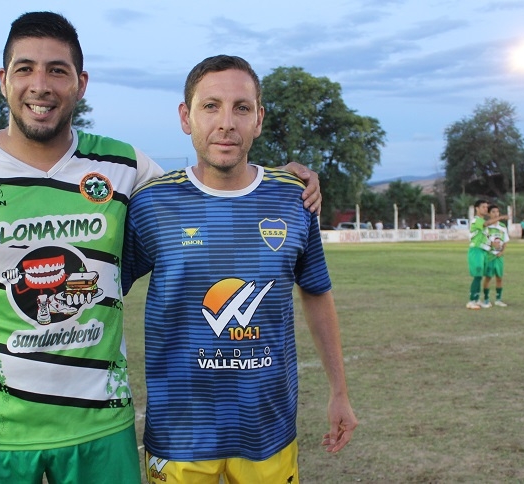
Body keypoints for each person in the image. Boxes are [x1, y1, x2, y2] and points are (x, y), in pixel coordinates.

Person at [0, 12, 322, 483]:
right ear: (4, 80)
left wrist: (285, 181)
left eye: (57, 71)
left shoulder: (123, 167)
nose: (40, 85)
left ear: (80, 84)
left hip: (100, 428)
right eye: (25, 69)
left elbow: (208, 186)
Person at [121, 55, 356, 484]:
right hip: (180, 434)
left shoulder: (294, 198)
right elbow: (104, 293)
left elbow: (316, 292)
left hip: (267, 430)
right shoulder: (152, 204)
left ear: (259, 119)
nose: (226, 123)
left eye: (241, 108)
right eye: (211, 106)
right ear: (186, 117)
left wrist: (339, 392)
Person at [466, 200, 507, 309]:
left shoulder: (483, 223)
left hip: (483, 251)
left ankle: (476, 299)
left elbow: (485, 238)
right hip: (476, 250)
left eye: (486, 207)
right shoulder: (476, 220)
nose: (485, 209)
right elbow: (486, 224)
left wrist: (493, 244)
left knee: (480, 276)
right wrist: (500, 218)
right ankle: (471, 301)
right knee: (477, 275)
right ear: (477, 208)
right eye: (483, 207)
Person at [481, 205, 509, 308]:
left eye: (497, 212)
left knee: (499, 278)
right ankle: (486, 300)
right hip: (490, 255)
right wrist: (491, 246)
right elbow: (483, 240)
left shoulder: (502, 226)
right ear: (489, 214)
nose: (496, 214)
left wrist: (502, 251)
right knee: (488, 278)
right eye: (493, 212)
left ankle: (498, 299)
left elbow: (505, 240)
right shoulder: (486, 226)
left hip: (499, 256)